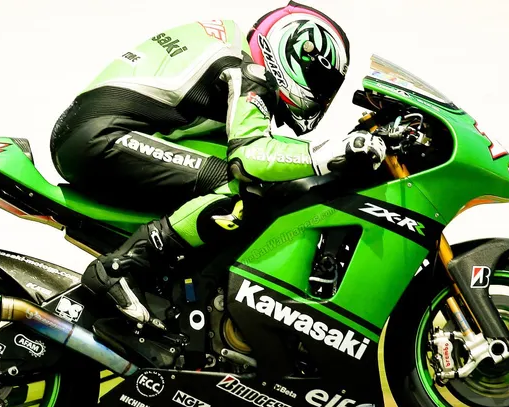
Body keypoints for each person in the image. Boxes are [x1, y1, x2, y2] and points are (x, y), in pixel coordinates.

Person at [50, 1, 386, 330]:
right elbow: (250, 158)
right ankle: (120, 268)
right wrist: (328, 154)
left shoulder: (232, 53)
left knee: (246, 175)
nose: (321, 96)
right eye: (320, 82)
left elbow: (254, 149)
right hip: (102, 136)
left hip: (97, 133)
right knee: (244, 186)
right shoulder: (249, 71)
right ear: (293, 53)